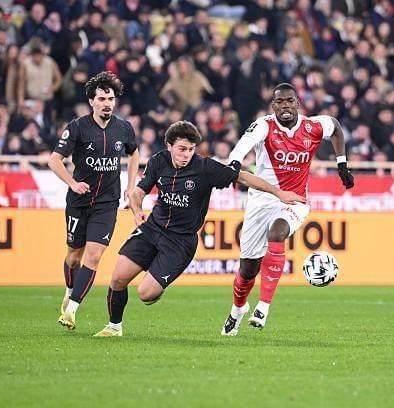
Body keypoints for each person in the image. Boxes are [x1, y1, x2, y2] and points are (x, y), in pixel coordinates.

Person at [93, 121, 305, 337]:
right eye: (181, 149)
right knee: (118, 278)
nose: (186, 154)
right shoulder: (158, 161)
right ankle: (114, 327)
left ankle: (157, 281)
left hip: (180, 241)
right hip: (152, 229)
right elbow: (137, 193)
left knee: (145, 294)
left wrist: (278, 193)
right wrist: (137, 211)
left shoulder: (205, 168)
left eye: (191, 149)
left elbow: (242, 176)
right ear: (169, 146)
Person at [220, 83, 354, 336]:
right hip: (261, 200)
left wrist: (342, 164)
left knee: (277, 232)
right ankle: (238, 310)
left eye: (289, 101)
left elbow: (335, 126)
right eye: (279, 102)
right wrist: (234, 162)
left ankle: (263, 307)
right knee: (248, 269)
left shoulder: (313, 126)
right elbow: (245, 143)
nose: (285, 106)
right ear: (273, 105)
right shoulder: (264, 125)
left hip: (295, 200)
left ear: (297, 103)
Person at [48, 71, 139, 330]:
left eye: (110, 99)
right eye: (101, 99)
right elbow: (54, 160)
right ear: (92, 102)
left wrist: (130, 186)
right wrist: (72, 183)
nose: (107, 104)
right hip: (79, 202)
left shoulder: (123, 128)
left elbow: (134, 154)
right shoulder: (77, 127)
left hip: (107, 204)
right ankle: (69, 290)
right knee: (73, 256)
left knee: (94, 255)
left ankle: (71, 310)